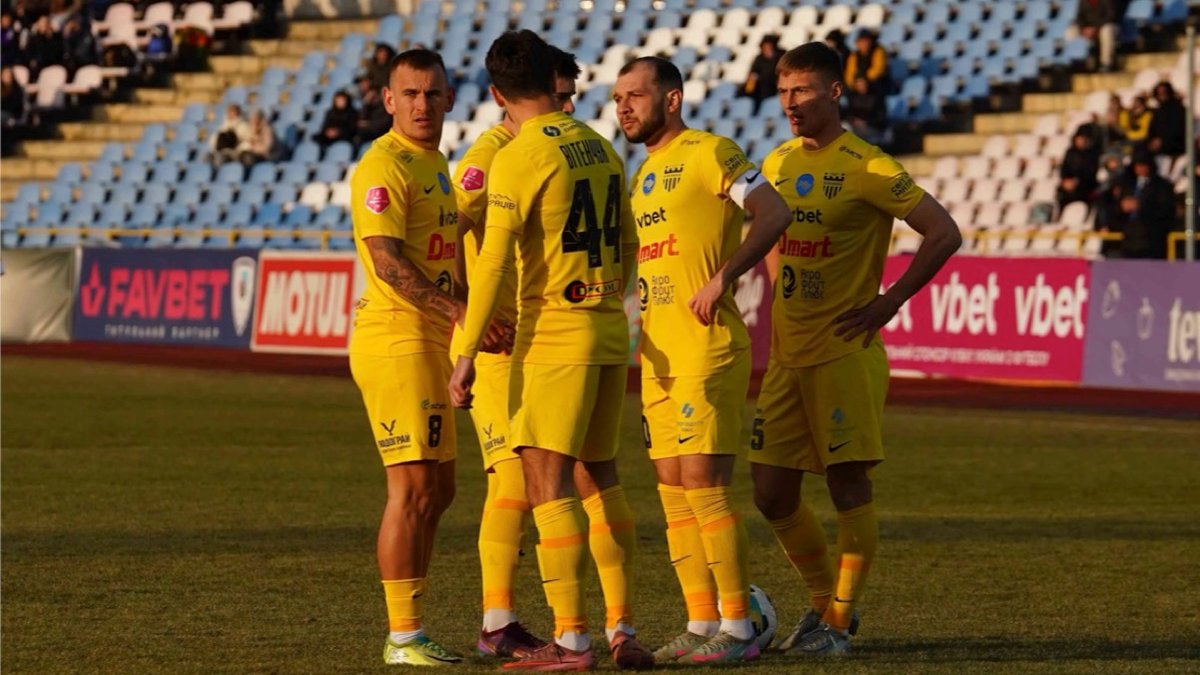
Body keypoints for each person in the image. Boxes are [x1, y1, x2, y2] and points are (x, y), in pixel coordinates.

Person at [690, 42, 961, 657]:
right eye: (784, 92)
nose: (790, 103)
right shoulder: (779, 161)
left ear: (834, 92)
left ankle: (837, 621)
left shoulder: (869, 166)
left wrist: (891, 300)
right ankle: (821, 602)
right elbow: (772, 235)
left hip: (844, 351)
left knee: (847, 485)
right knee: (770, 492)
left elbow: (944, 232)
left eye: (803, 91)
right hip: (789, 356)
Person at [448, 29, 653, 672]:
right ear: (550, 80)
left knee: (545, 483)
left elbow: (490, 266)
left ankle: (571, 641)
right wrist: (603, 296)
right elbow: (628, 244)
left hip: (553, 335)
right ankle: (622, 627)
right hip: (606, 330)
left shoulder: (518, 155)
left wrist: (465, 353)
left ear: (497, 94)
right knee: (602, 476)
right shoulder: (600, 145)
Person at [613, 56, 791, 665]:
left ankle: (740, 628)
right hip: (658, 354)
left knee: (704, 486)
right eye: (617, 99)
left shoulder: (711, 152)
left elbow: (774, 212)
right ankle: (701, 621)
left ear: (672, 99)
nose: (624, 107)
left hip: (707, 347)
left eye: (636, 95)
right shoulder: (643, 174)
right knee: (672, 492)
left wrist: (724, 276)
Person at [347, 47, 507, 667]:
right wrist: (459, 311)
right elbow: (387, 262)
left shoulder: (435, 163)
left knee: (440, 489)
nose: (422, 104)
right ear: (388, 100)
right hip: (397, 338)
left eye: (432, 94)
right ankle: (403, 635)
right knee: (412, 489)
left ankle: (412, 625)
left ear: (449, 99)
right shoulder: (382, 165)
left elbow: (444, 256)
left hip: (432, 338)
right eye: (410, 94)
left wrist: (472, 314)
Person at [448, 43, 581, 660]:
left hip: (544, 342)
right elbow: (448, 228)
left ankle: (584, 620)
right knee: (511, 478)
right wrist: (467, 308)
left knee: (550, 479)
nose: (567, 106)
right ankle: (498, 622)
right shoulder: (491, 153)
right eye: (559, 94)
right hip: (500, 346)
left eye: (570, 96)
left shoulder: (554, 150)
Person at [1111, 148, 1176, 259]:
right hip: (1130, 239)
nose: (1140, 168)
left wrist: (1141, 206)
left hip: (1152, 239)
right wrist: (1122, 206)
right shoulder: (1127, 185)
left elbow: (1166, 210)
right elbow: (1114, 208)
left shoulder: (1161, 185)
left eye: (1144, 165)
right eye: (1138, 165)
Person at [1069, 0, 1117, 71]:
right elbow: (1078, 17)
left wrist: (1095, 28)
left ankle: (1106, 63)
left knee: (1107, 30)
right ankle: (1076, 61)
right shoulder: (1082, 1)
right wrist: (1083, 29)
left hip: (1103, 26)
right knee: (1071, 30)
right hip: (1087, 29)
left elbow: (1110, 16)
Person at [1058, 130, 1100, 209]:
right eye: (1078, 140)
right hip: (1069, 182)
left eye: (1082, 140)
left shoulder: (1092, 154)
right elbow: (1064, 168)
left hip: (1086, 183)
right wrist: (1065, 180)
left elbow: (1091, 172)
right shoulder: (1070, 153)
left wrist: (1076, 181)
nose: (1080, 142)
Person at [844, 75, 888, 146]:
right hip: (855, 127)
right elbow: (848, 114)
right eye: (859, 85)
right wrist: (853, 120)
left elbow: (881, 116)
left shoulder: (876, 97)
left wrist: (866, 123)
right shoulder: (852, 97)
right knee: (845, 127)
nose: (862, 87)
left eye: (863, 84)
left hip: (872, 127)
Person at [843, 30, 888, 96]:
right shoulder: (854, 56)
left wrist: (864, 79)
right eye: (861, 41)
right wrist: (855, 85)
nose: (863, 44)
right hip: (858, 85)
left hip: (874, 84)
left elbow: (879, 69)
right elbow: (849, 74)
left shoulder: (878, 51)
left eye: (866, 41)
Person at [1147, 81, 1185, 158]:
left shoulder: (1178, 109)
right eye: (1159, 93)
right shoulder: (1158, 111)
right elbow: (1152, 130)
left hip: (1175, 146)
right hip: (1159, 146)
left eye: (1164, 92)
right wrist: (1152, 141)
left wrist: (1162, 141)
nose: (1161, 95)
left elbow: (1178, 131)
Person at [743, 34, 781, 111]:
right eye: (765, 47)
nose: (767, 49)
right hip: (760, 86)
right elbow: (752, 73)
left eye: (769, 47)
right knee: (748, 88)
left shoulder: (781, 56)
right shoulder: (759, 58)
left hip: (775, 84)